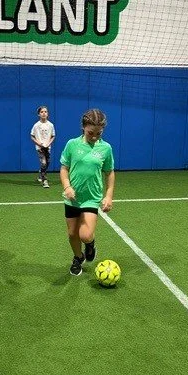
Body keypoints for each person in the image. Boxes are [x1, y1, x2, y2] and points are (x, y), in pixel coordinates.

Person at [60, 108, 115, 276]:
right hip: (72, 198)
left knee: (84, 234)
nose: (94, 137)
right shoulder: (72, 144)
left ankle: (90, 245)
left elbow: (110, 172)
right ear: (83, 127)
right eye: (91, 132)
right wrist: (67, 187)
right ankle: (78, 257)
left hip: (91, 198)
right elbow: (64, 169)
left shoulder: (106, 148)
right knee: (72, 233)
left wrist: (108, 195)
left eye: (98, 133)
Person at [30, 105, 55, 188]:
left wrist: (49, 143)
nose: (44, 113)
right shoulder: (36, 125)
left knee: (47, 163)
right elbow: (32, 136)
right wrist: (38, 143)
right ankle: (45, 181)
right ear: (39, 114)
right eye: (42, 112)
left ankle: (41, 172)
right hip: (40, 148)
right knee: (43, 163)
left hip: (48, 147)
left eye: (45, 111)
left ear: (48, 114)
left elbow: (53, 136)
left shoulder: (51, 125)